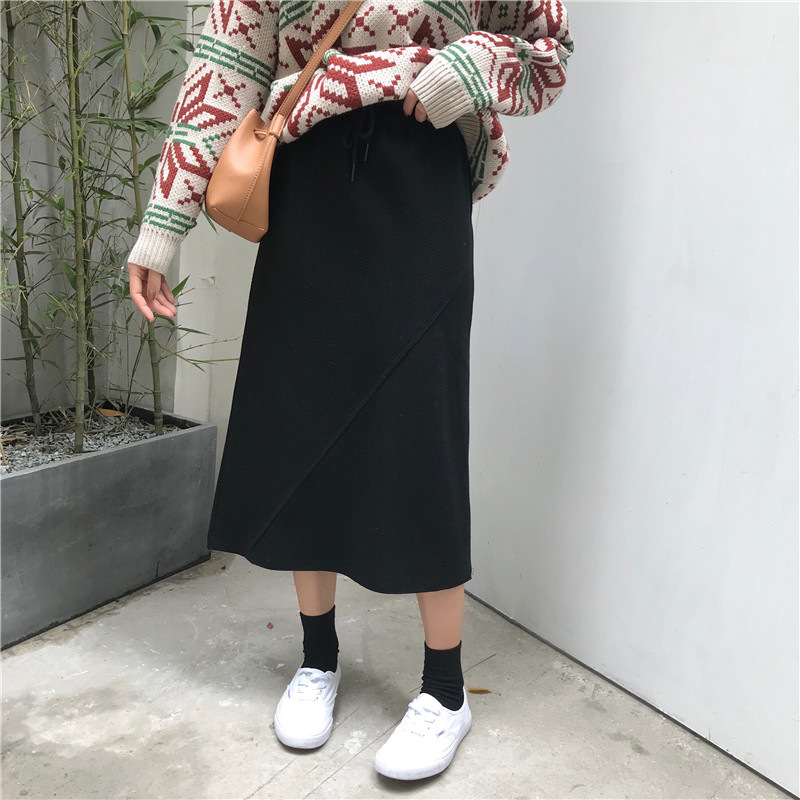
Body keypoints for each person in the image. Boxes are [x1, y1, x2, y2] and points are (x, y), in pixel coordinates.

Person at [127, 0, 573, 781]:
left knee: (423, 425)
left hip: (423, 174)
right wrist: (163, 226)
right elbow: (225, 67)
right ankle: (318, 657)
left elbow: (549, 49)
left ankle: (445, 689)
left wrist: (467, 68)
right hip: (307, 181)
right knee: (306, 413)